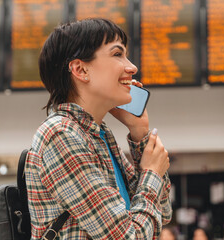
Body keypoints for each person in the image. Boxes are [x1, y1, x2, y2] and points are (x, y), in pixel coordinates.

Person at [25, 18, 172, 239]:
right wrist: (151, 173)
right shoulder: (61, 135)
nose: (132, 67)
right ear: (81, 69)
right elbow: (127, 236)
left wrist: (140, 133)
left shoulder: (98, 135)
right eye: (117, 54)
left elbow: (162, 213)